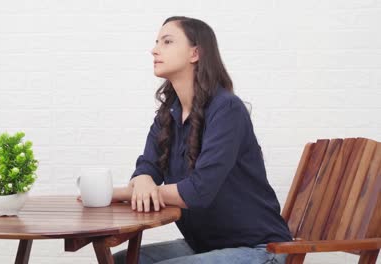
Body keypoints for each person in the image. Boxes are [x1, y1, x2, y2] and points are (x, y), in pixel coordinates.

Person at [98, 16, 292, 264]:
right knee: (120, 261)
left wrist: (132, 191)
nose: (154, 49)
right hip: (204, 245)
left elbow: (199, 191)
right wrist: (143, 179)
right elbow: (148, 165)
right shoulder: (168, 115)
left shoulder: (226, 109)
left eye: (167, 42)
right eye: (157, 42)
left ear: (195, 53)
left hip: (262, 248)